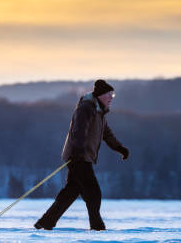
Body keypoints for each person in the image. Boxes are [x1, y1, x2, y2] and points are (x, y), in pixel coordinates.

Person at [34, 79, 129, 231]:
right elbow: (79, 131)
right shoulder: (86, 108)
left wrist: (120, 148)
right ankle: (97, 227)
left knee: (70, 192)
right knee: (93, 192)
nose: (111, 98)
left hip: (84, 157)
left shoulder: (99, 111)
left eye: (113, 95)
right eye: (109, 94)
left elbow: (107, 134)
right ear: (100, 95)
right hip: (78, 157)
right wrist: (78, 151)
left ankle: (45, 223)